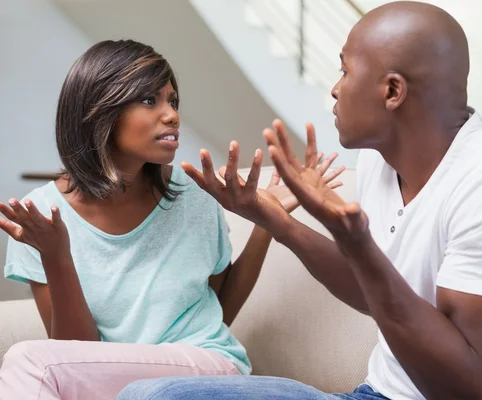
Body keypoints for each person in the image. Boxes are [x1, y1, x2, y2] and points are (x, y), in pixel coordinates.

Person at [117, 1, 482, 400]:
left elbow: (464, 389)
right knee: (146, 394)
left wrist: (359, 247)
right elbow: (377, 297)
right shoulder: (385, 165)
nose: (335, 88)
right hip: (377, 393)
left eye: (345, 69)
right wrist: (275, 221)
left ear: (392, 91)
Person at [0, 39, 344, 399]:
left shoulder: (193, 194)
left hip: (204, 367)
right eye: (150, 100)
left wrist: (265, 220)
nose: (172, 115)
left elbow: (219, 308)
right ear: (99, 110)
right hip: (115, 382)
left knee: (29, 361)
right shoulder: (39, 215)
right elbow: (76, 359)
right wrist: (57, 256)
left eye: (173, 100)